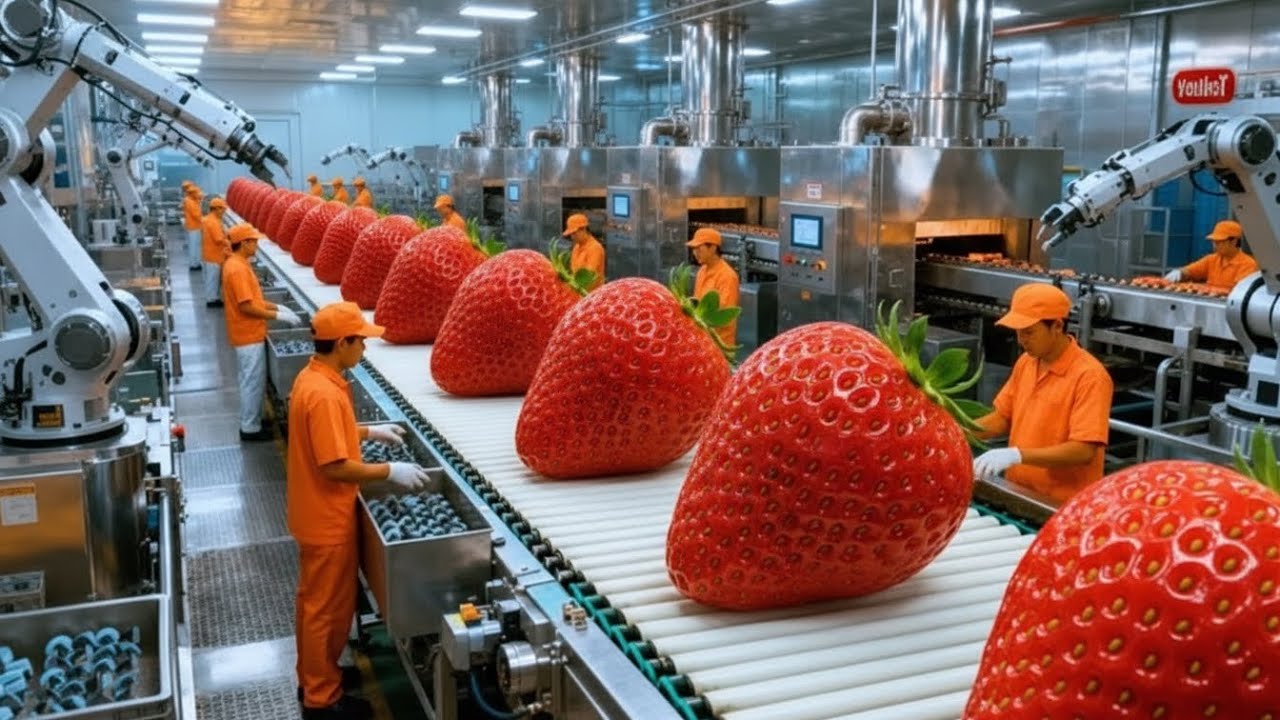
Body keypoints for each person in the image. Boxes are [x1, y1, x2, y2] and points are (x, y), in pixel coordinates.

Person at [287, 302, 428, 719]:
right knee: (324, 612)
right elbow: (334, 466)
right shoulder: (325, 393)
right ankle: (321, 699)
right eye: (360, 341)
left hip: (315, 512)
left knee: (320, 606)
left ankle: (317, 675)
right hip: (326, 518)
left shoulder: (313, 378)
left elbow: (324, 433)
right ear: (343, 343)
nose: (364, 348)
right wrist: (390, 471)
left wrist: (368, 431)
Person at [972, 283, 1114, 504]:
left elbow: (1084, 451)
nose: (1021, 340)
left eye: (1029, 332)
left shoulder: (1090, 376)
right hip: (1018, 492)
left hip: (1060, 504)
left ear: (1057, 326)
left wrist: (1016, 455)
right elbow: (1002, 418)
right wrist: (955, 434)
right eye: (1018, 332)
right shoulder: (1027, 362)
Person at [221, 223, 303, 442]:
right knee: (251, 381)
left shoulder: (239, 264)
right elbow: (246, 307)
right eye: (254, 241)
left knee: (251, 379)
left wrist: (277, 307)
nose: (256, 244)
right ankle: (250, 428)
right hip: (247, 334)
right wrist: (278, 317)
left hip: (249, 332)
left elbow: (254, 299)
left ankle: (253, 419)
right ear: (244, 243)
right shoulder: (237, 269)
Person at [1163, 219, 1258, 290]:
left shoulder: (1248, 264)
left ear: (1234, 241)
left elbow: (1237, 293)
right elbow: (1190, 271)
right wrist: (1180, 272)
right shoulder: (1212, 259)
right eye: (1214, 242)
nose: (1215, 246)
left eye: (1219, 242)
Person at [686, 228, 740, 348]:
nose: (695, 253)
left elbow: (725, 316)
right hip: (702, 341)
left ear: (713, 248)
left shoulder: (727, 276)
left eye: (699, 248)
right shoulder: (702, 271)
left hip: (720, 344)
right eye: (694, 249)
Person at [201, 197, 231, 307]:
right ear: (216, 209)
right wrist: (229, 241)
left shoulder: (209, 219)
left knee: (214, 278)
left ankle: (215, 297)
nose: (224, 212)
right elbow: (218, 239)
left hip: (211, 253)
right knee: (212, 279)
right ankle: (211, 300)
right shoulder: (213, 222)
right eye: (222, 209)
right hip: (213, 255)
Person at [562, 213, 604, 289]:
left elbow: (587, 276)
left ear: (583, 229)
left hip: (590, 294)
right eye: (571, 234)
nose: (572, 237)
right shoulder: (576, 247)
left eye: (574, 233)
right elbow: (574, 272)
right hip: (577, 291)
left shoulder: (595, 248)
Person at [182, 182, 203, 271]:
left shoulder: (191, 200)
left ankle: (197, 263)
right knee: (194, 246)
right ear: (192, 193)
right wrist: (207, 220)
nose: (198, 195)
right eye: (196, 193)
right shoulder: (190, 202)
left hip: (195, 226)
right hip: (194, 226)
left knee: (196, 245)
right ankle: (193, 264)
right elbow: (197, 215)